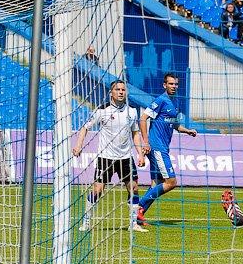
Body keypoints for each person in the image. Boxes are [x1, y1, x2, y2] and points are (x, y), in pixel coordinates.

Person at [71, 80, 146, 232]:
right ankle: (86, 221)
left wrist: (140, 154)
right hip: (106, 158)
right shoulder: (102, 111)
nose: (120, 92)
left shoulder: (132, 111)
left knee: (134, 188)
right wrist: (78, 145)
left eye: (123, 90)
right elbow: (85, 128)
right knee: (98, 190)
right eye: (117, 89)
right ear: (111, 93)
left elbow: (135, 133)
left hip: (125, 158)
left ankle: (133, 223)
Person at [136, 74, 198, 225]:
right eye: (171, 84)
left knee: (156, 183)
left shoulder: (174, 103)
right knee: (171, 182)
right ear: (164, 85)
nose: (174, 86)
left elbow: (175, 125)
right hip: (157, 147)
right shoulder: (161, 100)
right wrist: (145, 142)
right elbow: (143, 118)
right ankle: (138, 208)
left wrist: (187, 130)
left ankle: (138, 216)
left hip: (163, 147)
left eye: (176, 84)